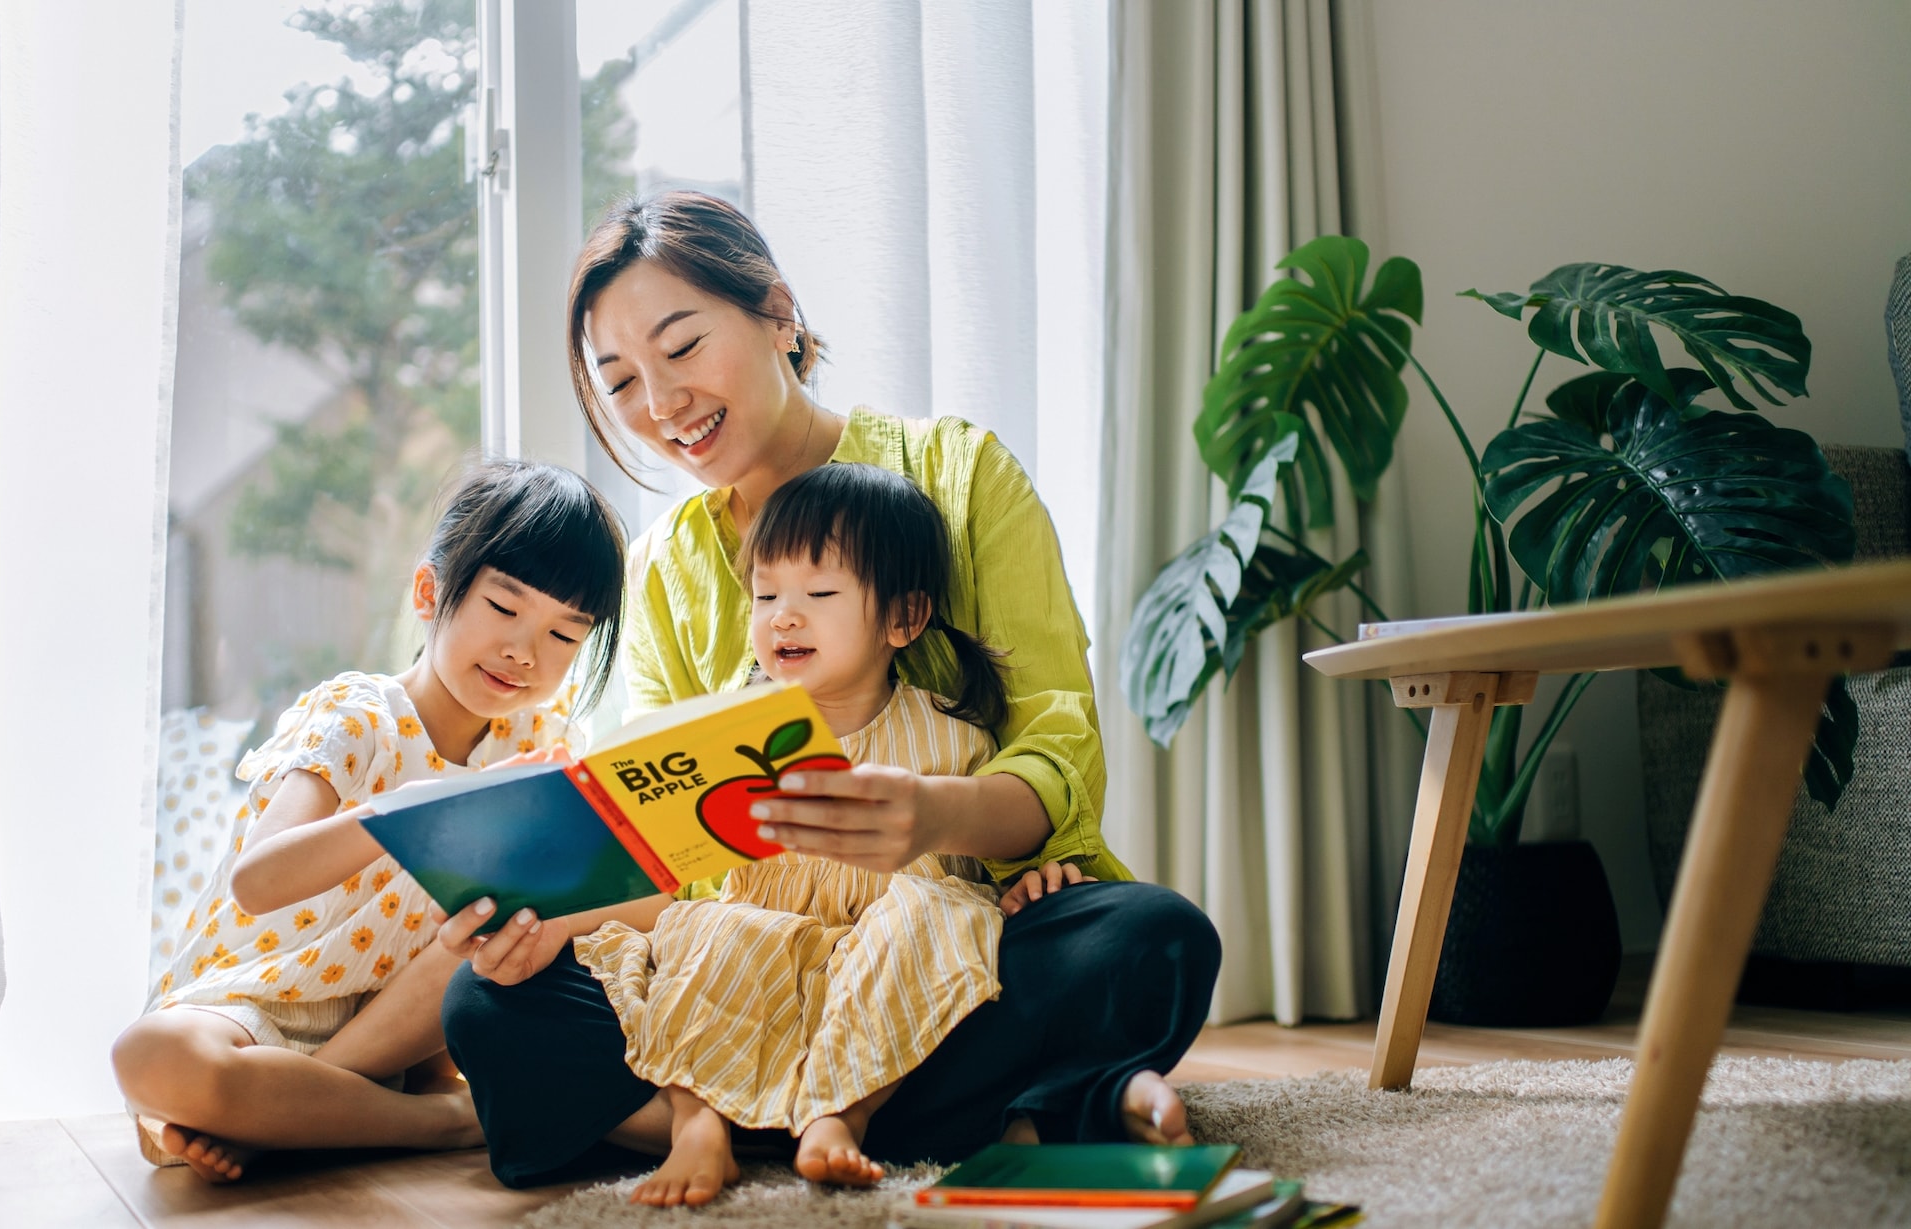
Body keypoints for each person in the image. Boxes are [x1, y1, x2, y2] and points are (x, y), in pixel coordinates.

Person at [439, 191, 1222, 1190]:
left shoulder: (959, 473)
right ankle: (962, 1108)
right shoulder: (668, 569)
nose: (661, 402)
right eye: (623, 380)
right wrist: (551, 918)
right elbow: (671, 852)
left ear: (777, 313)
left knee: (1150, 939)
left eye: (681, 346)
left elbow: (1056, 746)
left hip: (943, 936)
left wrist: (933, 814)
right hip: (748, 956)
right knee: (484, 1003)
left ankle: (736, 1115)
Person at [110, 460, 627, 1182]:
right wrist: (413, 812)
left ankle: (299, 1112)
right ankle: (433, 1123)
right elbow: (257, 881)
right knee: (149, 1057)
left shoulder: (543, 741)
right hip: (259, 1001)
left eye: (565, 635)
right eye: (504, 609)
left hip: (398, 1029)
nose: (525, 652)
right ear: (429, 592)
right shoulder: (361, 716)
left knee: (489, 926)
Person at [580, 463, 1026, 1206]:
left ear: (903, 618)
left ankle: (835, 1115)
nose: (783, 616)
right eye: (766, 594)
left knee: (942, 911)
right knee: (709, 926)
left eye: (818, 595)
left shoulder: (953, 738)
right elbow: (676, 870)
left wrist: (1033, 877)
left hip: (882, 966)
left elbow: (985, 879)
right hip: (758, 947)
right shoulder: (728, 730)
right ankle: (699, 1121)